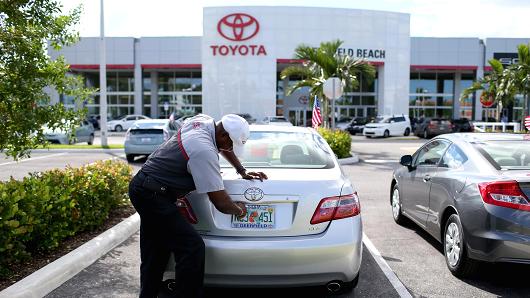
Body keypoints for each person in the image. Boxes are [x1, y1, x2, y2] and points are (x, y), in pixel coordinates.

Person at [128, 113, 268, 297]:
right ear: (224, 135)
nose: (229, 148)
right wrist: (240, 210)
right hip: (152, 195)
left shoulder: (203, 121)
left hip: (147, 187)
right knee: (191, 247)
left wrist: (241, 170)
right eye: (231, 144)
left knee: (156, 251)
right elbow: (221, 203)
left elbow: (222, 145)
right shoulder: (204, 151)